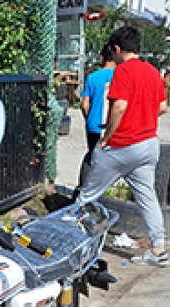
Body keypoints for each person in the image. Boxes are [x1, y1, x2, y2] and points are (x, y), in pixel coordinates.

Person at [75, 26, 170, 267]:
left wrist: (106, 137)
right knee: (147, 198)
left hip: (122, 144)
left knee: (87, 195)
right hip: (149, 144)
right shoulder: (153, 72)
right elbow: (162, 107)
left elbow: (119, 107)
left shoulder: (123, 71)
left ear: (117, 49)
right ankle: (158, 249)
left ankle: (70, 242)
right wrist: (142, 114)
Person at [74, 44, 115, 198]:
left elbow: (84, 104)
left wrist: (89, 118)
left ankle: (82, 188)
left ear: (101, 57)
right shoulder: (121, 76)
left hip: (94, 125)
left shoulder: (92, 77)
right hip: (111, 125)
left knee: (92, 156)